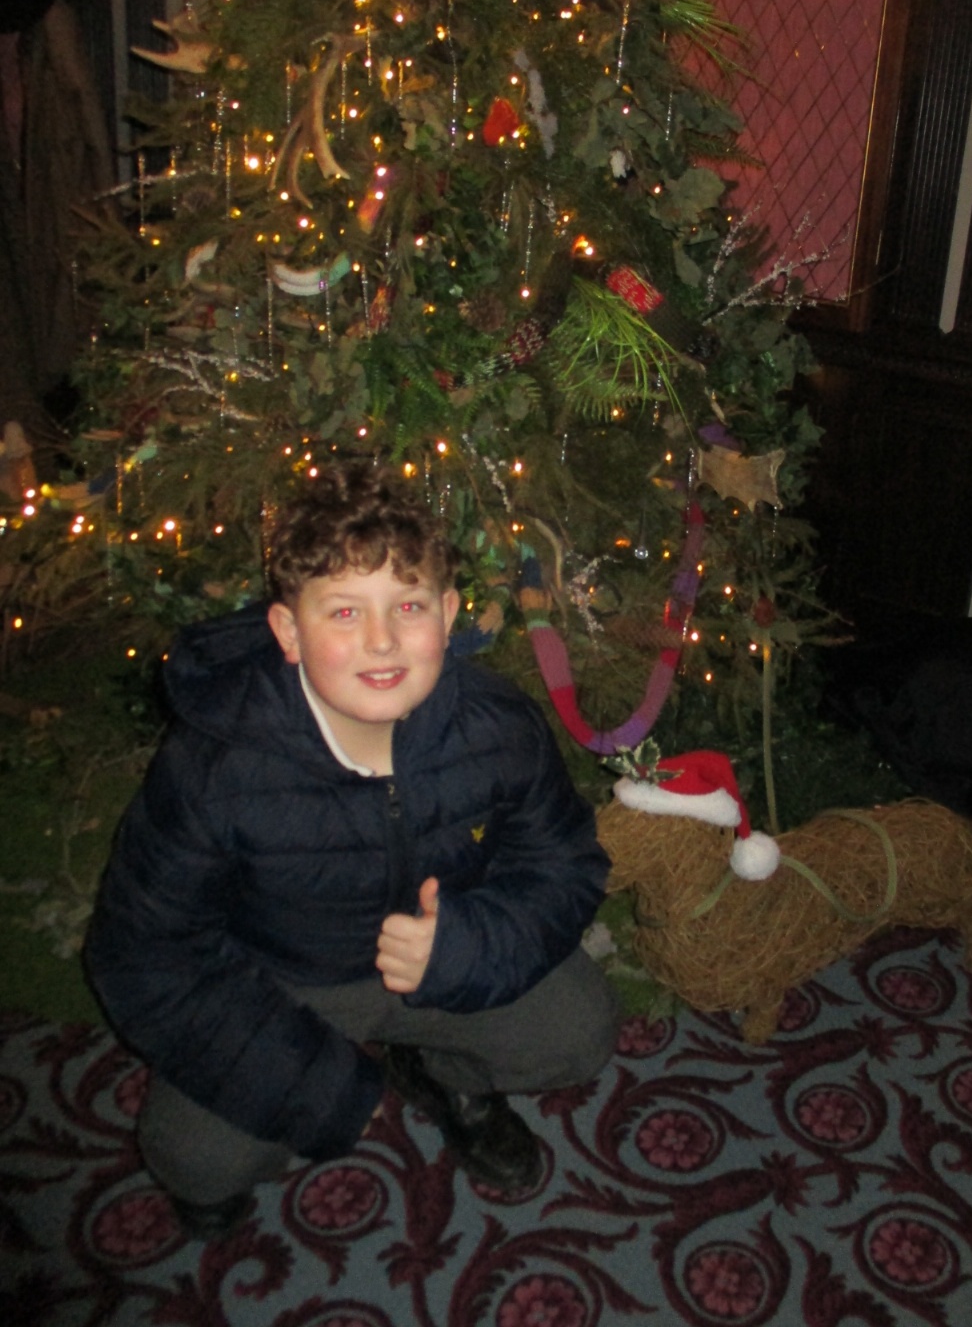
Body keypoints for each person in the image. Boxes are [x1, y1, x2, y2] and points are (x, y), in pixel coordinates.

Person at [85, 460, 617, 1240]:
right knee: (199, 1158)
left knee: (579, 1030)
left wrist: (466, 948)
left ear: (449, 613)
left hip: (439, 954)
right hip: (283, 982)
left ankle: (445, 1075)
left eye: (408, 605)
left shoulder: (499, 728)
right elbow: (144, 952)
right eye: (343, 612)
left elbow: (563, 862)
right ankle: (296, 1098)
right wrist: (312, 1082)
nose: (381, 640)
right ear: (287, 632)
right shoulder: (215, 769)